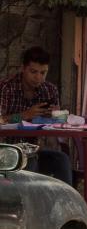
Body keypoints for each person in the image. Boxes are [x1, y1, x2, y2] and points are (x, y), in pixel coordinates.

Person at [0, 46, 73, 186]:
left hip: (37, 148)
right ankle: (29, 205)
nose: (38, 77)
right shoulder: (6, 88)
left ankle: (63, 204)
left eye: (43, 72)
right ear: (23, 68)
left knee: (61, 160)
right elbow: (1, 119)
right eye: (33, 72)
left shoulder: (49, 90)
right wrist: (25, 115)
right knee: (30, 160)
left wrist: (57, 116)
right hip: (9, 150)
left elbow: (56, 129)